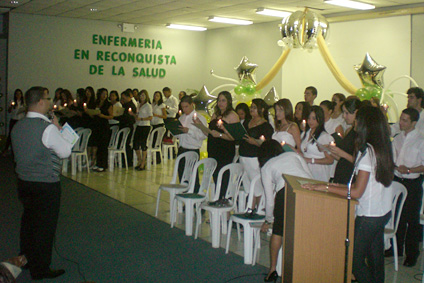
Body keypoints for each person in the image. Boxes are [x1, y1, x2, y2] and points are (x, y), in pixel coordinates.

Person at [302, 106, 394, 283]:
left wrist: (326, 188)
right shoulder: (383, 146)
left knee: (353, 261)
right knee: (375, 259)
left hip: (369, 214)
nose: (356, 123)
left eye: (359, 120)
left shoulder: (367, 151)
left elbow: (358, 192)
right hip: (382, 212)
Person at [11, 86, 72, 280]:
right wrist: (58, 129)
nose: (50, 101)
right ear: (39, 102)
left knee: (29, 223)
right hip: (45, 184)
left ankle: (26, 258)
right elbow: (65, 151)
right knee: (45, 227)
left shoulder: (18, 125)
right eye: (47, 98)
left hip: (24, 182)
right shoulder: (46, 128)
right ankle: (41, 269)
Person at [258, 140, 312, 282]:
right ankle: (306, 269)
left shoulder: (266, 167)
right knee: (305, 232)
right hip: (307, 190)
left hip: (285, 191)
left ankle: (273, 270)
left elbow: (269, 201)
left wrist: (268, 220)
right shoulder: (292, 155)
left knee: (278, 231)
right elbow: (309, 176)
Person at [389, 107, 424, 267]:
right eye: (401, 119)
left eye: (405, 120)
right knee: (397, 217)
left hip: (412, 182)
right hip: (397, 179)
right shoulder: (397, 138)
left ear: (414, 123)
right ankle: (396, 248)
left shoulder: (421, 140)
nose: (401, 123)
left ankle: (412, 253)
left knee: (412, 219)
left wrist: (409, 169)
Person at [200, 91, 239, 198]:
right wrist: (200, 126)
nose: (220, 103)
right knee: (215, 175)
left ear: (229, 102)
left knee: (224, 176)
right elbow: (210, 132)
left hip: (225, 150)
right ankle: (218, 197)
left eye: (223, 100)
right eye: (219, 101)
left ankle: (223, 199)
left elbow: (235, 138)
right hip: (213, 148)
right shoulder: (215, 114)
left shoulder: (233, 115)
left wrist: (221, 134)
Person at [238, 99, 274, 207]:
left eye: (254, 107)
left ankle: (259, 210)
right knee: (248, 186)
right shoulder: (246, 121)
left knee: (257, 186)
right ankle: (251, 209)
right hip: (243, 156)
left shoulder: (265, 126)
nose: (251, 109)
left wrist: (255, 142)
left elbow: (267, 144)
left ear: (261, 109)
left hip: (254, 158)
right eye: (251, 107)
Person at [176, 95, 208, 192]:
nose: (184, 109)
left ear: (192, 105)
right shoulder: (181, 118)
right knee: (182, 175)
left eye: (186, 106)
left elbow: (203, 135)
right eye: (183, 107)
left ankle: (195, 198)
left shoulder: (199, 118)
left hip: (192, 149)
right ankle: (185, 197)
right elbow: (179, 135)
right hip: (182, 148)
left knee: (192, 176)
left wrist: (188, 131)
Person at [327, 99, 361, 185]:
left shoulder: (361, 133)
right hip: (341, 173)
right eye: (343, 113)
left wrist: (340, 152)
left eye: (347, 113)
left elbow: (358, 160)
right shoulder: (350, 130)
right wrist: (331, 151)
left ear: (356, 113)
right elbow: (344, 159)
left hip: (350, 176)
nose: (344, 116)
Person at [300, 106, 334, 182]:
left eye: (314, 119)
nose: (310, 121)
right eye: (309, 118)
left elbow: (330, 160)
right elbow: (304, 152)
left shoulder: (324, 136)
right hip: (306, 170)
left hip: (319, 172)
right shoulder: (305, 134)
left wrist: (311, 160)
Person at [131, 90, 152, 171]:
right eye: (140, 95)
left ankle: (143, 163)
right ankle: (139, 160)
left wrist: (141, 119)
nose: (141, 97)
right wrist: (133, 115)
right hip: (139, 125)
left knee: (143, 144)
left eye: (143, 95)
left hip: (145, 126)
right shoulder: (139, 104)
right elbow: (137, 115)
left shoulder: (148, 105)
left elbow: (150, 117)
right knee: (135, 144)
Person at [2, 89, 25, 156]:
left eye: (19, 94)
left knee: (20, 135)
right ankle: (6, 150)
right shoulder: (13, 102)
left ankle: (19, 150)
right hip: (14, 119)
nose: (18, 95)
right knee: (11, 135)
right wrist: (11, 107)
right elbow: (9, 111)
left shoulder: (23, 102)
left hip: (20, 120)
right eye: (17, 94)